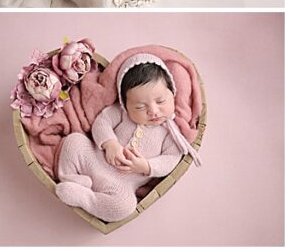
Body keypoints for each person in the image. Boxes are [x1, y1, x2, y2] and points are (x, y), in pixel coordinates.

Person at [55, 53, 201, 222]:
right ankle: (72, 180)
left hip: (120, 185)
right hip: (94, 160)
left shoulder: (171, 133)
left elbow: (170, 160)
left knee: (125, 206)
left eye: (160, 101)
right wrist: (110, 143)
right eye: (140, 106)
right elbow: (102, 123)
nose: (153, 111)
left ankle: (87, 199)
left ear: (172, 94)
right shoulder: (121, 113)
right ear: (125, 104)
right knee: (74, 141)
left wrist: (146, 166)